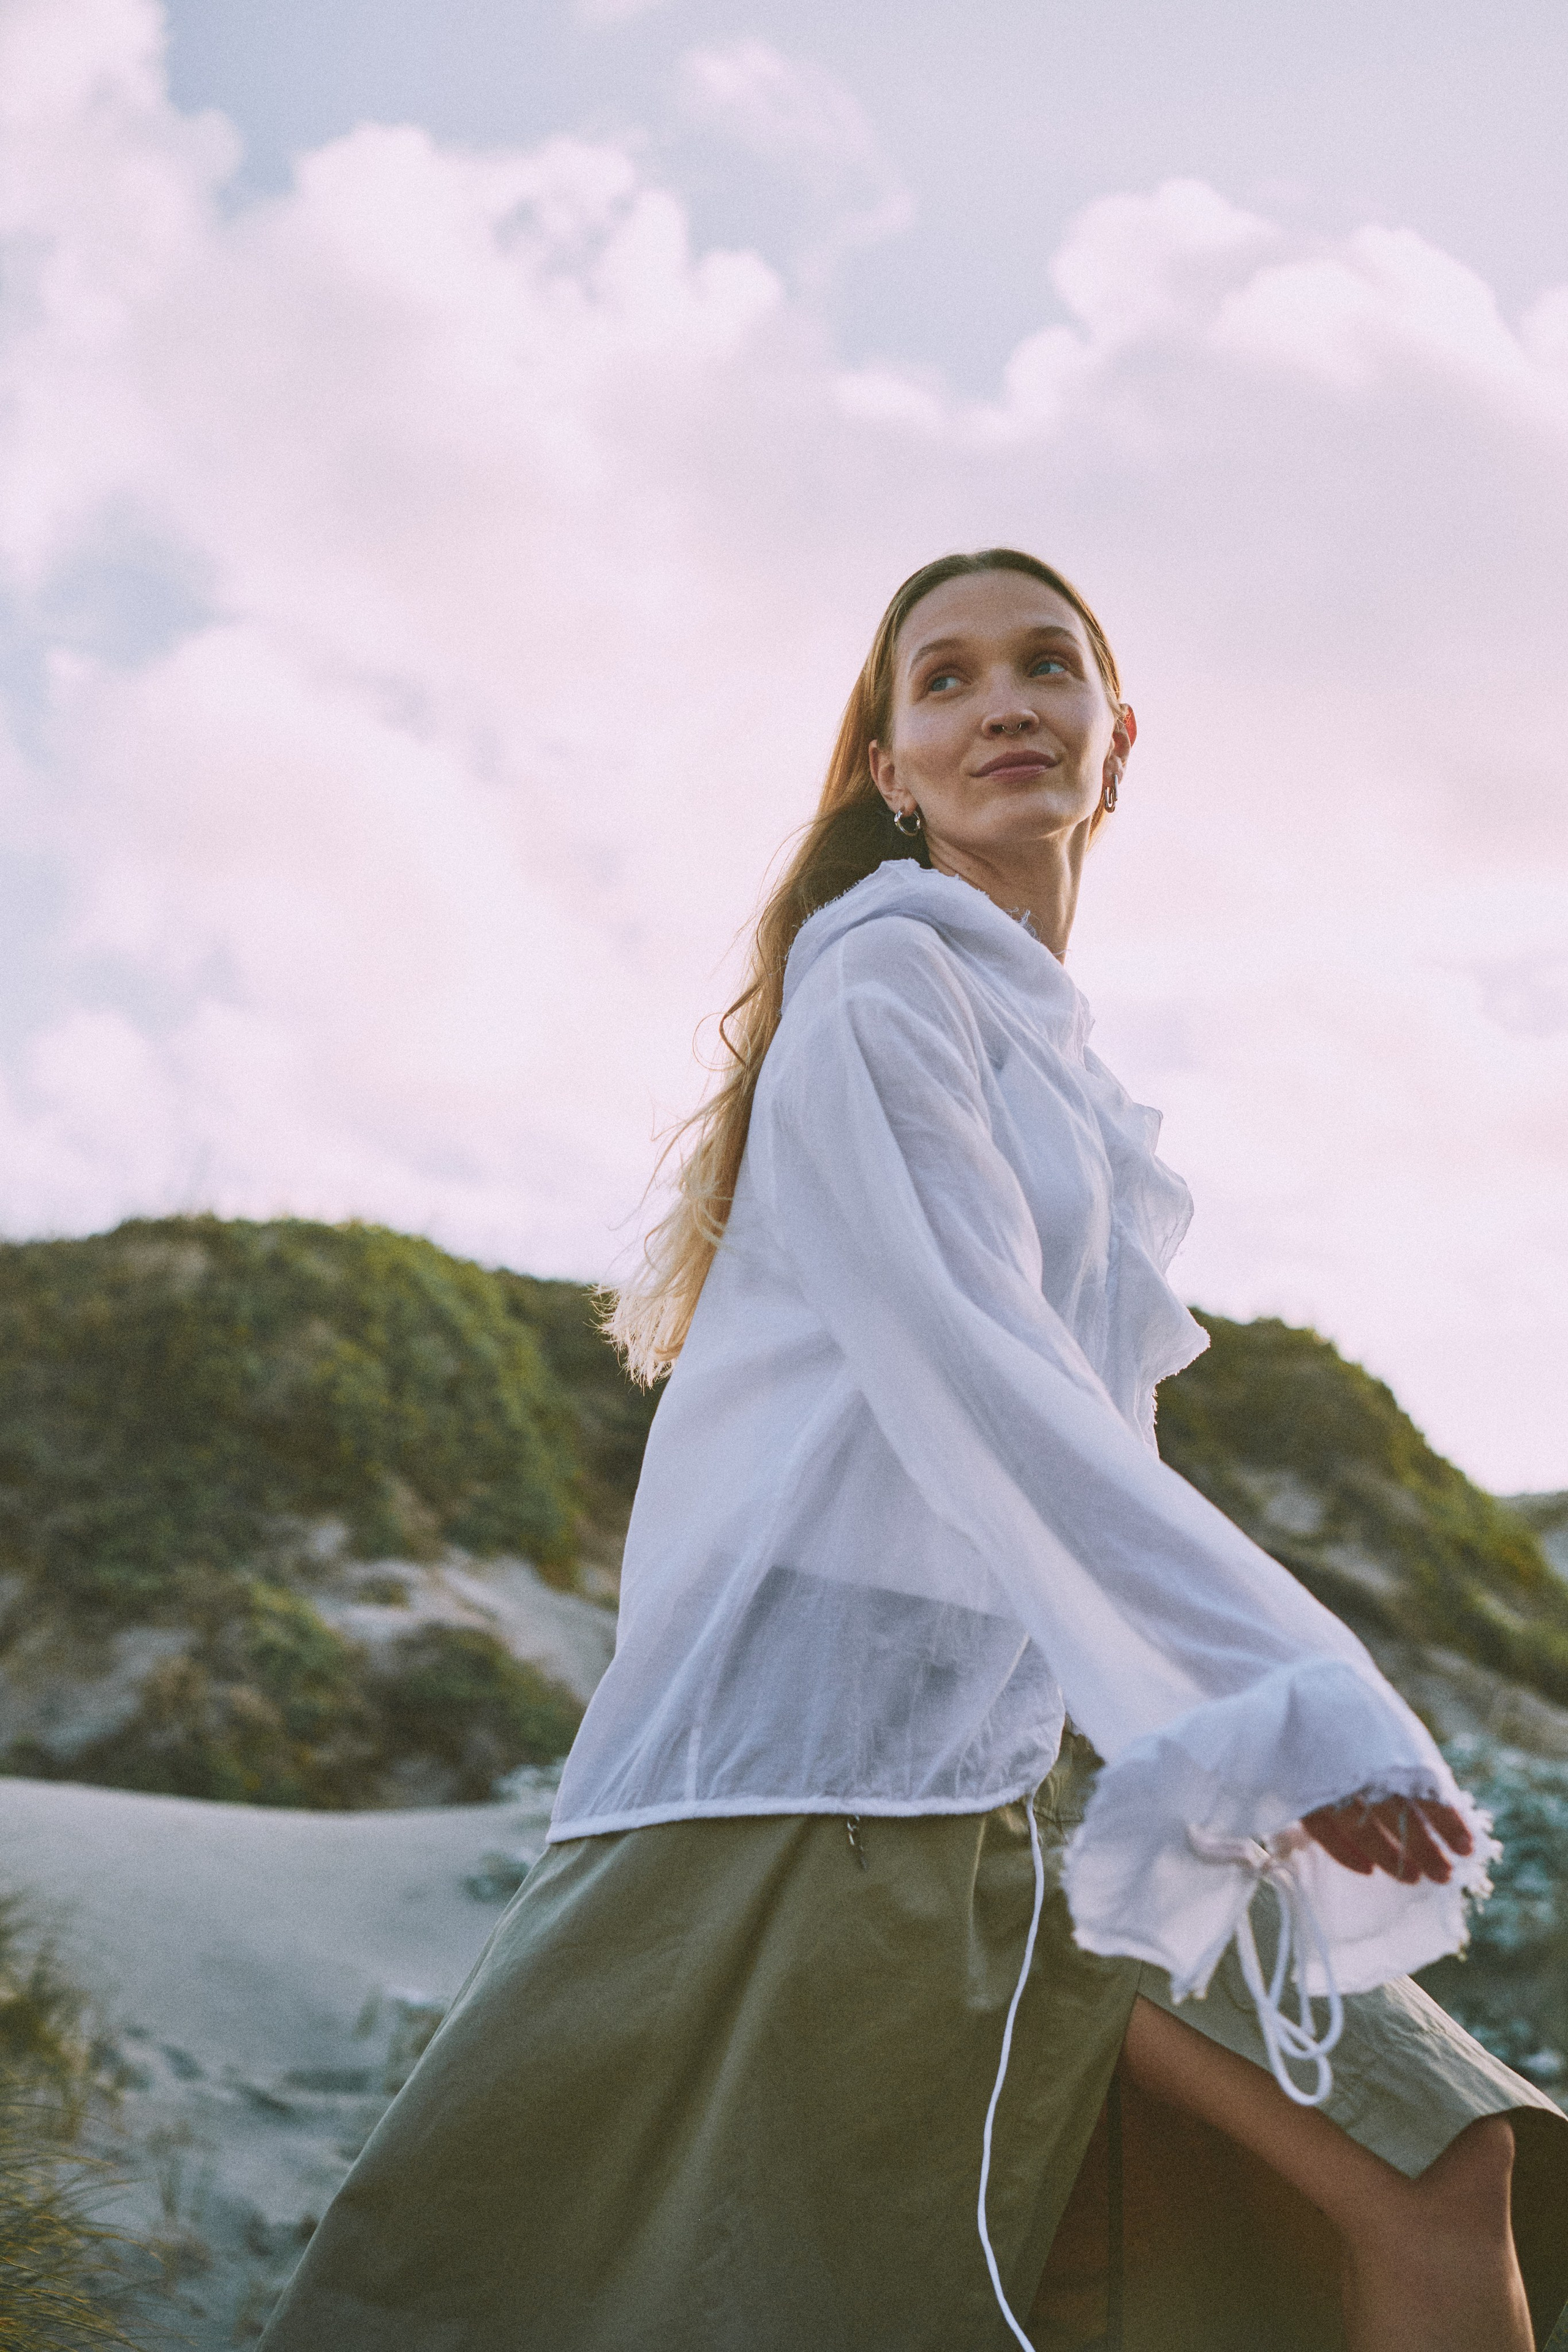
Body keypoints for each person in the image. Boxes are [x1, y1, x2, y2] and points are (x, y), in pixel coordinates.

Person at [260, 551, 1567, 2352]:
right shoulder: (883, 998)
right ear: (889, 766)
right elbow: (983, 1380)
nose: (1004, 704)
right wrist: (1296, 1690)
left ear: (1120, 738)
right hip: (844, 1771)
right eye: (944, 682)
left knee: (1424, 2178)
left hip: (1043, 1771)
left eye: (1047, 666)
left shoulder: (1058, 1062)